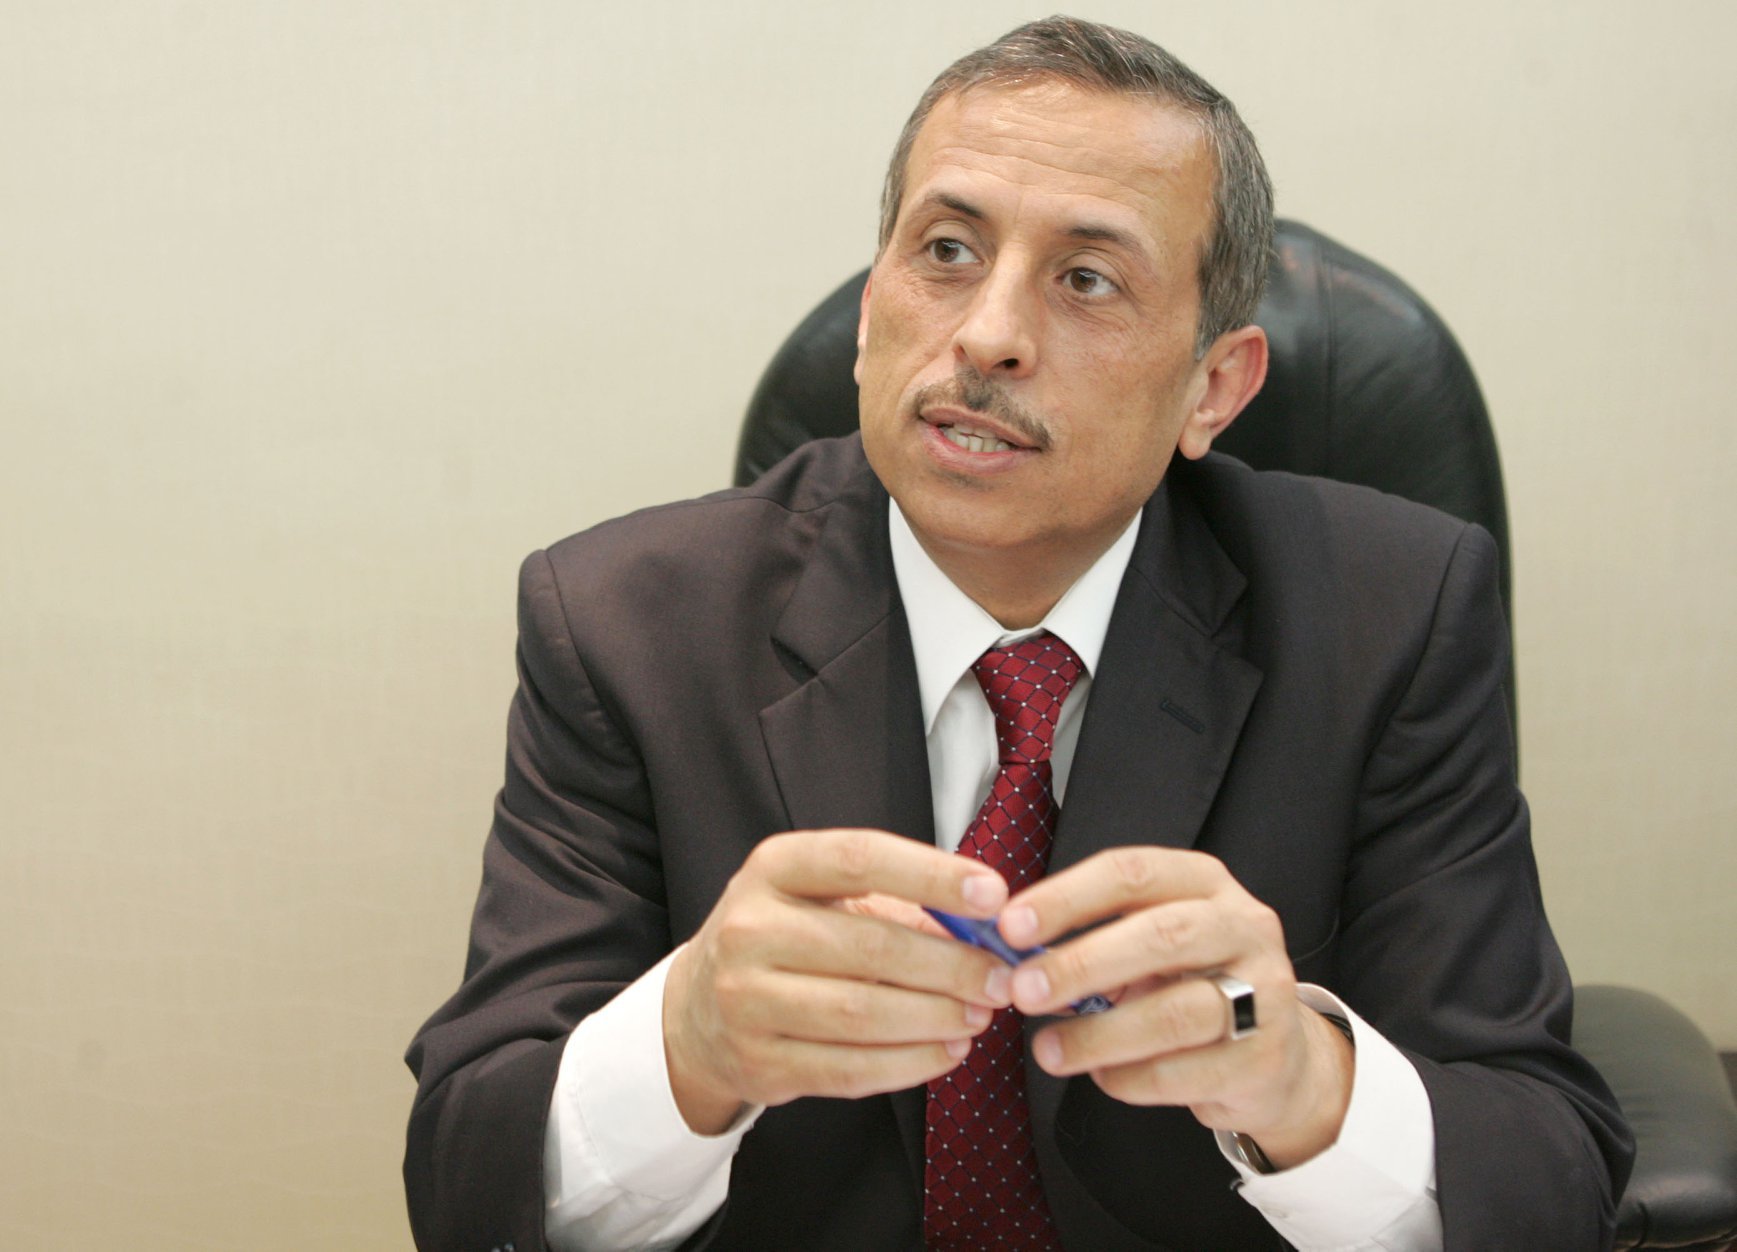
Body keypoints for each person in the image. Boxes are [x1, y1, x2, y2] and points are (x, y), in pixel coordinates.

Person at [405, 16, 1631, 1251]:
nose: (987, 334)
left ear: (1214, 387)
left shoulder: (1391, 619)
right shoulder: (621, 623)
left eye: (1087, 278)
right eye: (947, 250)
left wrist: (1311, 1087)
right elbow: (468, 1183)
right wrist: (687, 1045)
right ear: (873, 311)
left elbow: (1548, 1168)